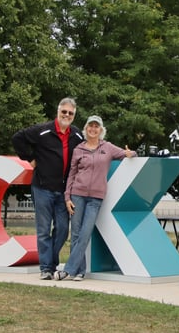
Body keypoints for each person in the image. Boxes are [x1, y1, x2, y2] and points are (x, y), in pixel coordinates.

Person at [56, 115, 136, 281]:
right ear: (86, 129)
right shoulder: (78, 149)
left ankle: (68, 270)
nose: (93, 129)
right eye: (90, 126)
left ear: (101, 130)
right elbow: (71, 174)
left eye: (96, 126)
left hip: (96, 198)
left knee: (85, 233)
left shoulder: (107, 147)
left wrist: (131, 153)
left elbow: (126, 153)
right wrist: (67, 197)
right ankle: (79, 272)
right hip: (77, 195)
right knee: (76, 233)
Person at [11, 98, 83, 280]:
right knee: (43, 229)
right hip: (42, 187)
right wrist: (30, 158)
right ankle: (46, 268)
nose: (66, 115)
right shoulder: (42, 130)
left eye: (70, 113)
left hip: (63, 191)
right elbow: (17, 138)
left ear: (74, 116)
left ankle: (50, 262)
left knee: (61, 230)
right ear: (58, 112)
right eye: (64, 111)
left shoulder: (77, 135)